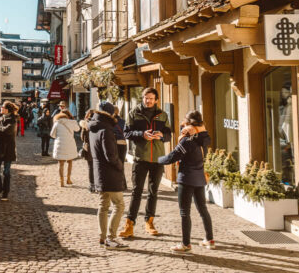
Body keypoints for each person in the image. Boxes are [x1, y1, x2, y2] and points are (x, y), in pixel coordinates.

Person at [157, 110, 215, 253]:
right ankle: (209, 239)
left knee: (184, 212)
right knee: (203, 209)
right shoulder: (203, 139)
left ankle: (185, 244)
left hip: (186, 178)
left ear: (188, 123)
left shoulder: (187, 140)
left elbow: (172, 156)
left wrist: (157, 160)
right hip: (200, 177)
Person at [119, 88, 172, 239]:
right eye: (145, 98)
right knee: (136, 192)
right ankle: (129, 224)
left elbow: (169, 134)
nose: (148, 101)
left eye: (151, 98)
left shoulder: (163, 115)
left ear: (156, 100)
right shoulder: (133, 113)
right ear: (142, 98)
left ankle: (149, 222)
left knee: (153, 191)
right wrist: (142, 135)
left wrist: (162, 135)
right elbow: (127, 133)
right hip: (140, 158)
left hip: (158, 158)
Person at [88, 102, 128, 249]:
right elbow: (110, 154)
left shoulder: (93, 126)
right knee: (119, 205)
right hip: (110, 173)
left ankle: (102, 236)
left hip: (99, 171)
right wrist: (119, 166)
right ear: (110, 114)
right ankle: (111, 238)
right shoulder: (106, 129)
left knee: (103, 205)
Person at [0, 101, 18, 201]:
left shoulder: (13, 120)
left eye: (2, 107)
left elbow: (8, 131)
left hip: (8, 149)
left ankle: (5, 192)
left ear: (7, 109)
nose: (0, 108)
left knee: (6, 172)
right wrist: (0, 130)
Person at [50, 105, 80, 186]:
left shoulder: (57, 123)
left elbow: (52, 135)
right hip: (70, 144)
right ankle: (68, 179)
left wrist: (58, 137)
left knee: (61, 164)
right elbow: (78, 129)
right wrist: (73, 120)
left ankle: (61, 181)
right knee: (70, 162)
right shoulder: (71, 122)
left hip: (60, 145)